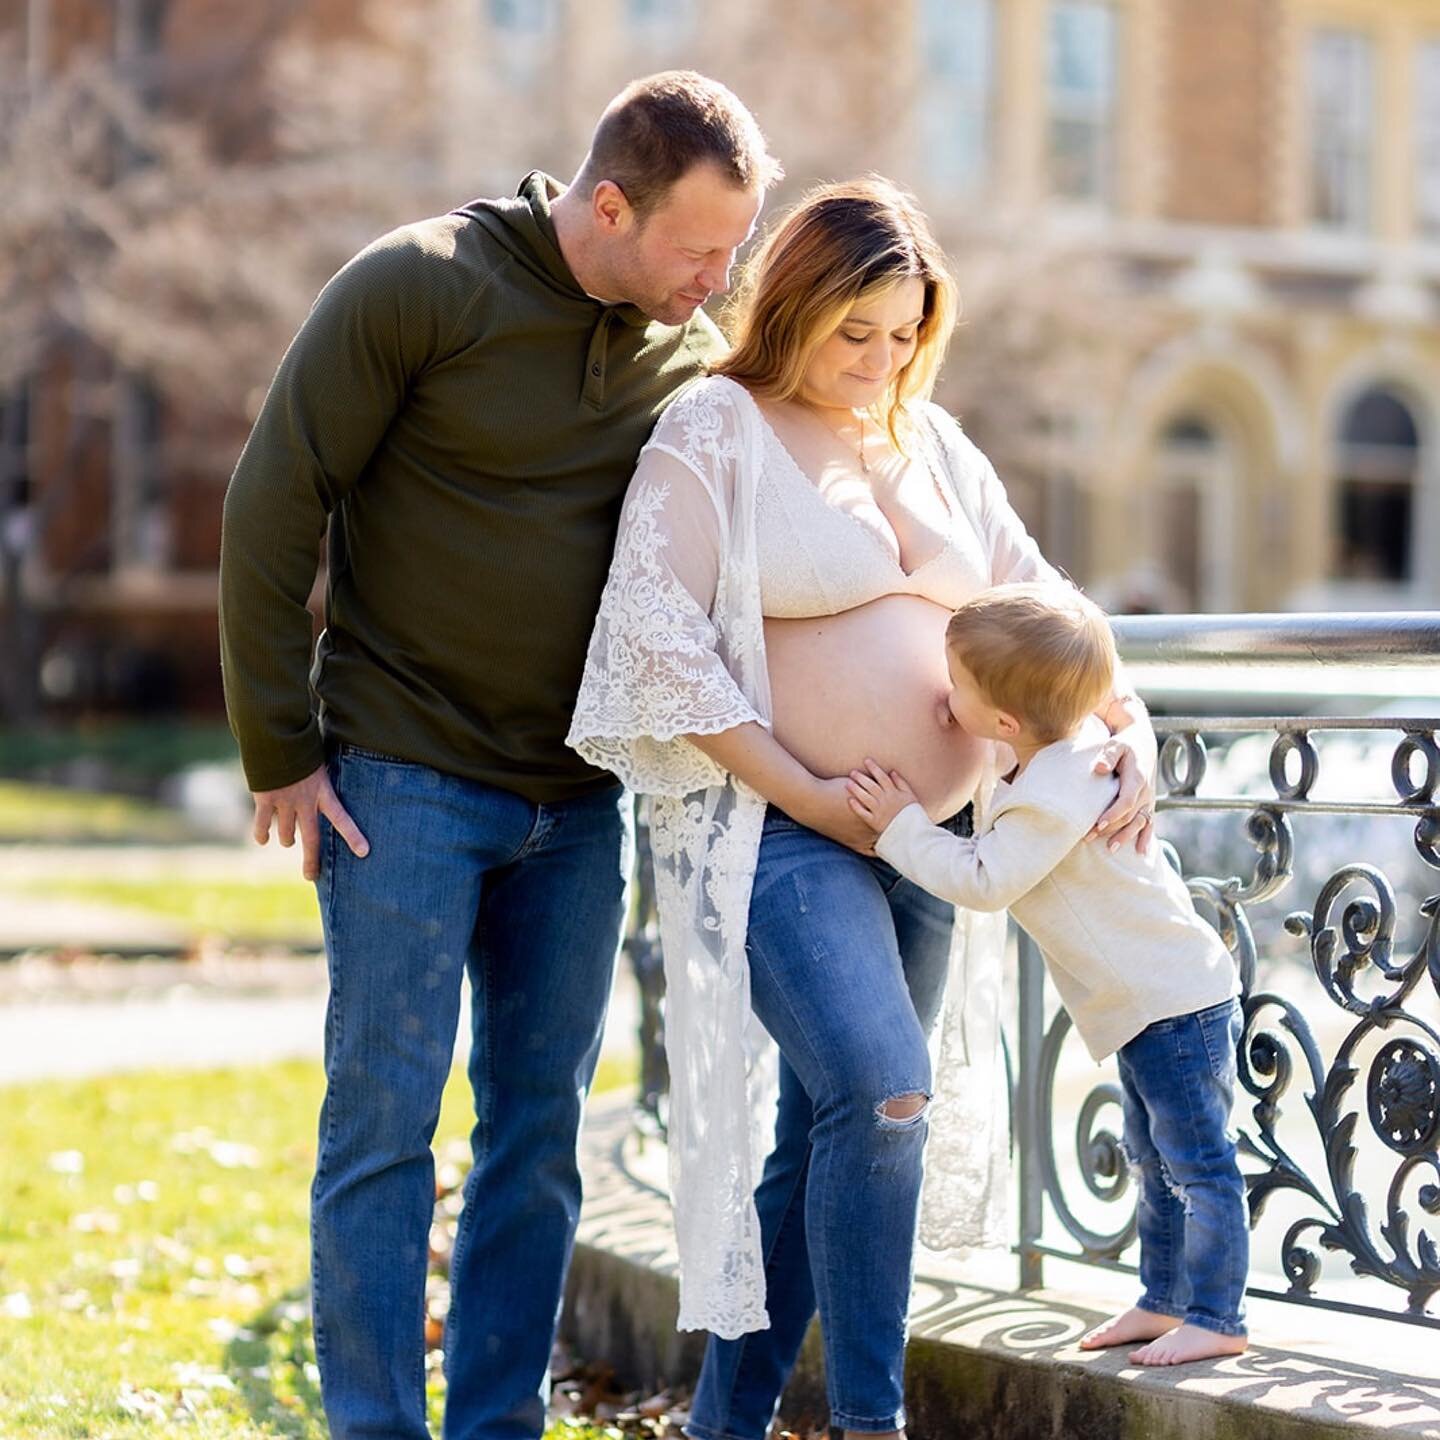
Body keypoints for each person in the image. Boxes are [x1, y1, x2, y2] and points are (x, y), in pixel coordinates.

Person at [218, 72, 779, 1440]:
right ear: (608, 204)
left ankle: (494, 1426)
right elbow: (274, 502)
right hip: (400, 781)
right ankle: (372, 1425)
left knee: (537, 1146)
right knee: (384, 1129)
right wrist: (279, 749)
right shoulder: (418, 286)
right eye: (702, 249)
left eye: (737, 251)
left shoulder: (686, 358)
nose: (721, 280)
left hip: (578, 807)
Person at [567, 179, 1157, 1440]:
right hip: (781, 828)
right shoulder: (715, 428)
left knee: (823, 1131)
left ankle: (725, 1425)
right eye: (855, 332)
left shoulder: (931, 444)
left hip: (931, 847)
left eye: (903, 334)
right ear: (795, 302)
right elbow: (657, 645)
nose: (880, 359)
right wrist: (816, 796)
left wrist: (1129, 725)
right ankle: (873, 1423)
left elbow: (1047, 601)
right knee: (887, 1090)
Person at [846, 582, 1247, 1366]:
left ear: (1004, 721)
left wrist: (900, 827)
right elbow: (1014, 756)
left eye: (954, 685)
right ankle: (1165, 1302)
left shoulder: (1057, 792)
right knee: (1153, 1160)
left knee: (1199, 1165)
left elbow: (985, 879)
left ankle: (1217, 1314)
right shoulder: (1058, 749)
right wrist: (966, 716)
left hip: (1175, 1002)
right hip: (1147, 1003)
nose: (943, 693)